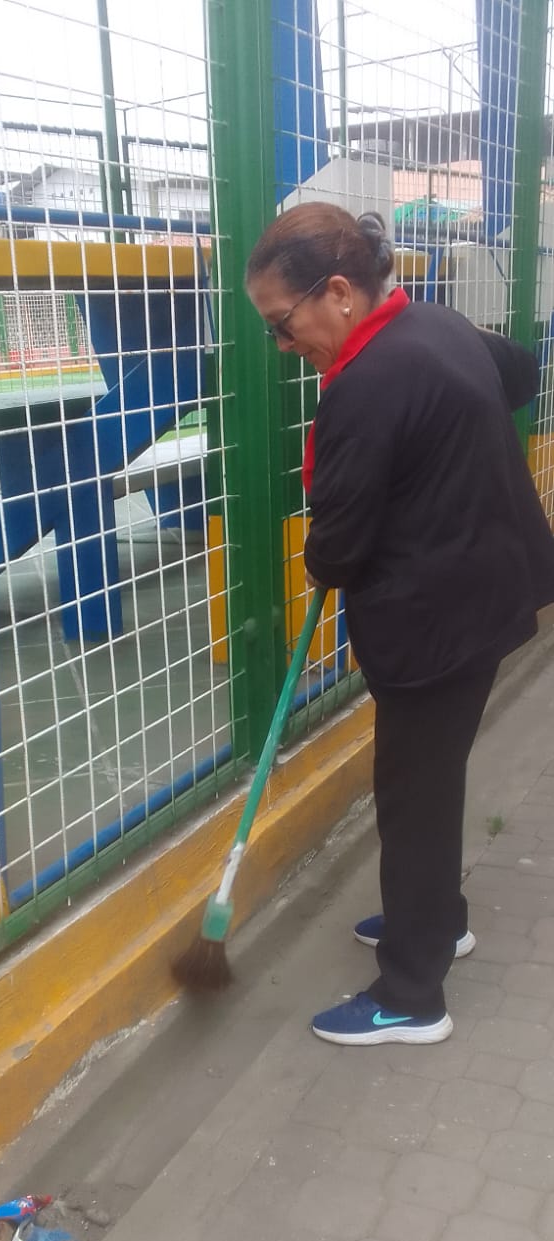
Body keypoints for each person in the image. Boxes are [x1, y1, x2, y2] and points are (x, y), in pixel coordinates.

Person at [246, 201, 554, 1046]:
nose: (282, 344)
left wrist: (322, 559)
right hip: (488, 592)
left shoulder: (366, 385)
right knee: (432, 777)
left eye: (281, 322)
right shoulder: (435, 323)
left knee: (411, 798)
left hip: (435, 621)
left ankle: (412, 995)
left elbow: (338, 548)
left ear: (337, 292)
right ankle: (438, 921)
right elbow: (520, 373)